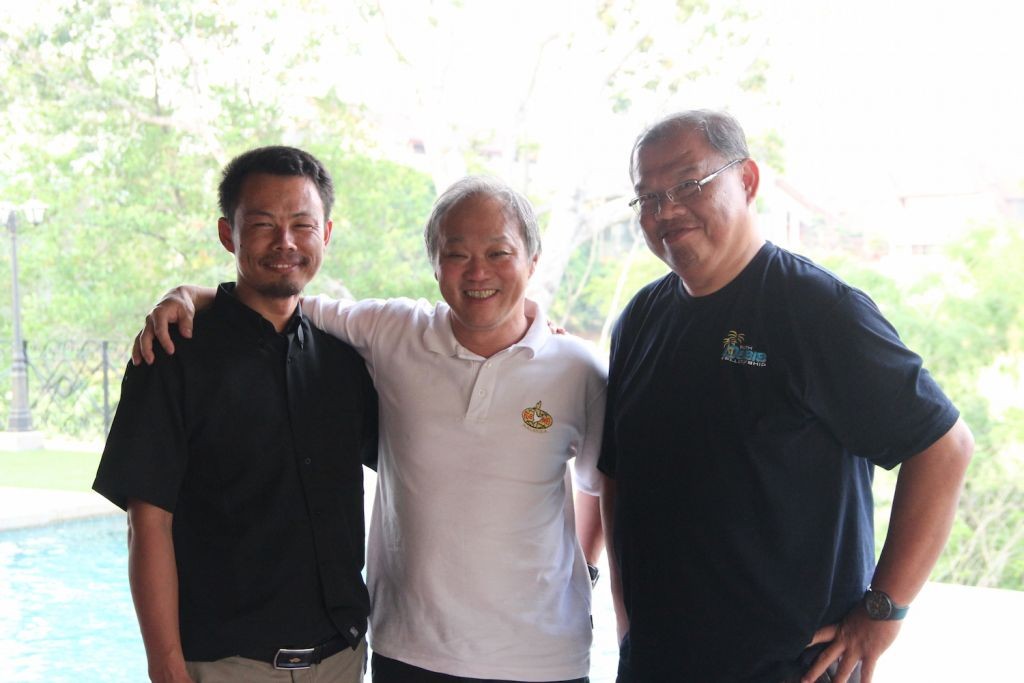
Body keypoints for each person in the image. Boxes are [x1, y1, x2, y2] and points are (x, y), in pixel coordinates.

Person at [135, 176, 607, 683]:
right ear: (434, 264)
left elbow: (604, 486)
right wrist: (188, 294)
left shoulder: (578, 370)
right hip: (410, 651)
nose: (477, 273)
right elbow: (278, 298)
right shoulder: (392, 331)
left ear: (532, 261)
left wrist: (585, 570)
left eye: (499, 253)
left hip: (544, 658)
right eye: (456, 254)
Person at [598, 110, 974, 683]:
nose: (664, 210)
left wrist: (884, 609)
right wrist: (627, 621)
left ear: (746, 181)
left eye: (686, 184)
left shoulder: (818, 311)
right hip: (656, 662)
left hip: (785, 666)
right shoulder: (640, 319)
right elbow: (618, 476)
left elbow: (944, 448)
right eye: (645, 198)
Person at [93, 146, 378, 683]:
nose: (285, 242)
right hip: (224, 665)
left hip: (341, 660)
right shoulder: (173, 355)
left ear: (327, 233)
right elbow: (148, 523)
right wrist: (166, 667)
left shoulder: (346, 360)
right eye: (264, 225)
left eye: (302, 224)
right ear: (229, 235)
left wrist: (527, 328)